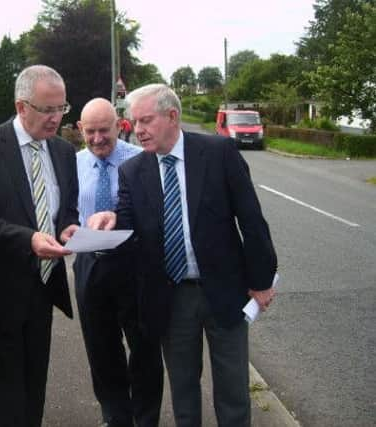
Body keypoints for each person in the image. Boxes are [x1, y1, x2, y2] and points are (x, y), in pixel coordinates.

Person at [88, 84, 278, 427]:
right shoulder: (133, 170)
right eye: (134, 122)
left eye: (146, 120)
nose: (138, 129)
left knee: (233, 390)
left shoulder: (219, 152)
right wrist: (110, 220)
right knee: (184, 392)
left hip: (225, 290)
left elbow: (251, 220)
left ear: (172, 116)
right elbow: (128, 224)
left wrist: (261, 282)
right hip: (171, 297)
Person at [0, 65, 79, 427]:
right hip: (1, 289)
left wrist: (69, 228)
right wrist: (27, 239)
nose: (56, 118)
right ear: (21, 106)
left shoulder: (62, 151)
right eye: (47, 109)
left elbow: (66, 208)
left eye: (62, 108)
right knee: (4, 388)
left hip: (44, 287)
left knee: (35, 381)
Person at [74, 97, 163, 427]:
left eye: (105, 131)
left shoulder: (142, 161)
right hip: (90, 265)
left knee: (144, 348)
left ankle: (145, 418)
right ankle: (116, 417)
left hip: (134, 267)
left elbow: (155, 216)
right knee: (101, 348)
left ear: (119, 126)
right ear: (81, 129)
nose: (98, 139)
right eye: (91, 131)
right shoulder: (74, 163)